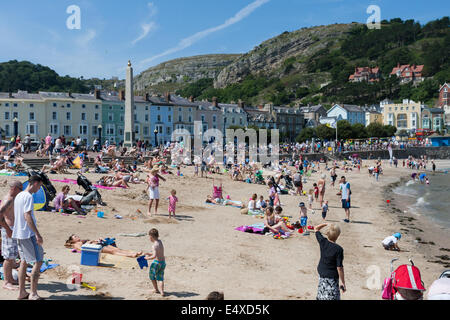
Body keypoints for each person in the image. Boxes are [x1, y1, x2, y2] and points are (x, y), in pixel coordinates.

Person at [12, 175, 45, 300]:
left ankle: (22, 292)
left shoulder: (19, 195)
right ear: (35, 183)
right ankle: (33, 293)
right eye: (40, 186)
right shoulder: (28, 196)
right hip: (27, 234)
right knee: (38, 260)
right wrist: (37, 233)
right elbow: (27, 216)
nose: (39, 188)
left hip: (19, 233)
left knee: (24, 262)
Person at [0, 181, 23, 290]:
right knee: (8, 257)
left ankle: (10, 279)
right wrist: (8, 229)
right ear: (14, 188)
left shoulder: (13, 199)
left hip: (12, 229)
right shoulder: (9, 200)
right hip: (8, 230)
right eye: (20, 189)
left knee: (12, 256)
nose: (21, 191)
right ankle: (7, 282)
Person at [314, 223, 345, 300]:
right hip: (332, 278)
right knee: (331, 297)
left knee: (322, 295)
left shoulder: (323, 242)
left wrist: (325, 224)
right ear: (338, 235)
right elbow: (339, 268)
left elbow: (316, 228)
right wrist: (343, 282)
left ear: (328, 233)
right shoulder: (338, 249)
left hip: (322, 275)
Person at [64, 235, 142, 257]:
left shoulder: (82, 240)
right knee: (113, 252)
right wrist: (90, 243)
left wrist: (98, 239)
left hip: (99, 243)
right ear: (72, 241)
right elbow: (82, 249)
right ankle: (131, 255)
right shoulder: (76, 244)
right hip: (96, 248)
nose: (77, 237)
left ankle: (134, 252)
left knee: (117, 249)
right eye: (75, 237)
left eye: (77, 236)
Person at [144, 228, 165, 296]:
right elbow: (158, 253)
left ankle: (156, 289)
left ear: (151, 237)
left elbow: (154, 256)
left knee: (152, 276)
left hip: (156, 263)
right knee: (160, 277)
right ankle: (162, 292)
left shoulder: (154, 246)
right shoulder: (160, 242)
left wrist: (147, 258)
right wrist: (149, 253)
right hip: (163, 263)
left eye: (149, 237)